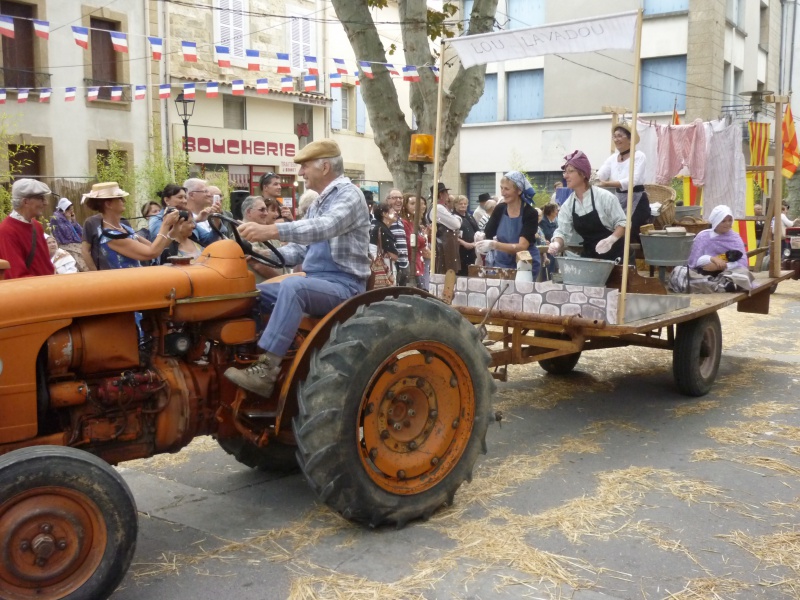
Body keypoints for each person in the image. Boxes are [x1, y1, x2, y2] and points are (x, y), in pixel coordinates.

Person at [225, 139, 370, 397]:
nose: (301, 173)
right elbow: (299, 250)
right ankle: (244, 355)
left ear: (324, 167)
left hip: (344, 285)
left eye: (304, 167)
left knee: (293, 286)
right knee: (250, 293)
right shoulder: (318, 203)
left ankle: (268, 370)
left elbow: (326, 226)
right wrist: (257, 254)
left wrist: (271, 229)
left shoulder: (350, 195)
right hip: (318, 281)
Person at [548, 150, 628, 261]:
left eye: (570, 171)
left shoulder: (605, 197)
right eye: (565, 172)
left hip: (617, 257)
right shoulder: (568, 205)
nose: (566, 176)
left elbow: (623, 223)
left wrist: (610, 240)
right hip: (591, 259)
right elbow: (562, 232)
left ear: (583, 174)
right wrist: (556, 244)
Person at [83, 181, 180, 270]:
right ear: (108, 204)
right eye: (120, 198)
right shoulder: (111, 236)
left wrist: (175, 229)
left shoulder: (123, 227)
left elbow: (155, 246)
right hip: (124, 285)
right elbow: (152, 252)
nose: (124, 201)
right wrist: (166, 224)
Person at [668, 205, 752, 293]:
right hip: (702, 273)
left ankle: (710, 285)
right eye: (723, 221)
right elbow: (694, 262)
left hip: (725, 274)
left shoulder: (735, 238)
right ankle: (717, 286)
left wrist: (721, 266)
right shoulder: (703, 236)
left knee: (744, 275)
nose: (728, 224)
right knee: (679, 271)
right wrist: (712, 259)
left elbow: (742, 263)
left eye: (730, 220)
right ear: (716, 221)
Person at [476, 171, 540, 278]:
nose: (502, 193)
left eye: (507, 189)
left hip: (524, 264)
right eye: (501, 188)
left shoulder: (530, 213)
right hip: (502, 263)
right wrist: (481, 238)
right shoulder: (500, 209)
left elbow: (522, 247)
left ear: (519, 190)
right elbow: (488, 234)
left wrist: (495, 245)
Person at [596, 122, 650, 244]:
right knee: (610, 227)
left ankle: (630, 260)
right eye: (614, 136)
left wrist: (607, 184)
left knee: (629, 233)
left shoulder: (639, 156)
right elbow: (601, 175)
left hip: (637, 200)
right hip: (618, 199)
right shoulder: (612, 158)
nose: (616, 139)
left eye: (620, 136)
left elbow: (632, 181)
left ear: (630, 139)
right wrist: (590, 178)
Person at [0, 178, 55, 279]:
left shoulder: (36, 226)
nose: (46, 203)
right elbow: (16, 276)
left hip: (47, 289)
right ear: (25, 202)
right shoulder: (6, 231)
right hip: (29, 292)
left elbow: (46, 267)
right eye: (41, 198)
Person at [241, 195, 284, 283]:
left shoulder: (261, 230)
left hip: (274, 287)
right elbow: (258, 264)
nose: (266, 213)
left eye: (266, 210)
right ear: (249, 212)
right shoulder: (243, 232)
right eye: (262, 209)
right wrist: (282, 280)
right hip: (263, 290)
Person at [427, 182, 462, 273]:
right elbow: (456, 224)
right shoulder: (438, 208)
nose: (448, 195)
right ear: (441, 194)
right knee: (445, 272)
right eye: (446, 193)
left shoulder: (439, 207)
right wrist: (457, 218)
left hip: (446, 245)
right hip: (444, 246)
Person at [49, 197, 88, 271]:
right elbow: (67, 235)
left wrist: (73, 221)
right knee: (83, 258)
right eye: (70, 209)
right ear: (64, 209)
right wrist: (68, 220)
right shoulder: (56, 218)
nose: (72, 211)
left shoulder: (67, 217)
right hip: (65, 245)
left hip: (75, 243)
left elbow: (82, 232)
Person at [185, 179, 225, 246]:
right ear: (191, 195)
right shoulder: (183, 218)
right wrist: (196, 220)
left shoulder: (207, 214)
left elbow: (211, 239)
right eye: (205, 191)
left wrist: (216, 218)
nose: (209, 194)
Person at [401, 193, 429, 287]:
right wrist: (423, 243)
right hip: (411, 264)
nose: (416, 206)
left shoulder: (414, 223)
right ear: (405, 206)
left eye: (417, 204)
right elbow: (411, 244)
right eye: (412, 204)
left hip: (419, 263)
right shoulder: (404, 223)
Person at [370, 202, 399, 283]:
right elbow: (394, 256)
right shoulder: (382, 230)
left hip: (377, 269)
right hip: (385, 270)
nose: (395, 212)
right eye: (392, 210)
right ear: (384, 214)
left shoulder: (379, 228)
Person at [386, 188, 410, 285]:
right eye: (395, 198)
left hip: (404, 264)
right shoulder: (384, 217)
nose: (399, 200)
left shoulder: (399, 219)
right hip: (392, 264)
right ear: (387, 200)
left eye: (400, 198)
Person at [455, 195, 479, 275]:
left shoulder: (469, 216)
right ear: (455, 205)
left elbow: (477, 230)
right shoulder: (453, 217)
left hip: (472, 251)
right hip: (460, 251)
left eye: (465, 204)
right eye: (460, 204)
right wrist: (465, 243)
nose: (463, 205)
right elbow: (451, 235)